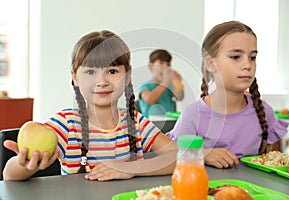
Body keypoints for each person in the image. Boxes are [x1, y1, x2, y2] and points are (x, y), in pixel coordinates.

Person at [3, 30, 177, 181]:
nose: (101, 81)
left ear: (128, 76)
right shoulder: (68, 124)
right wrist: (25, 165)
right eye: (91, 72)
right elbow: (10, 175)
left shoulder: (136, 123)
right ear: (75, 76)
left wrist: (130, 168)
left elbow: (182, 157)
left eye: (112, 71)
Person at [166, 21, 289, 169]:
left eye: (252, 57)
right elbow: (169, 156)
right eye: (236, 57)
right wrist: (204, 154)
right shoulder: (193, 115)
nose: (247, 65)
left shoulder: (264, 110)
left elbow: (275, 161)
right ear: (210, 64)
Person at [138, 49, 184, 118]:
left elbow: (180, 97)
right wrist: (165, 82)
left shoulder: (169, 86)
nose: (165, 68)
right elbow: (149, 99)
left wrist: (176, 81)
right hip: (150, 126)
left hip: (168, 125)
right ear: (150, 66)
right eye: (161, 64)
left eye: (168, 65)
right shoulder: (145, 86)